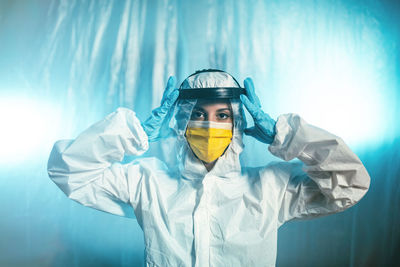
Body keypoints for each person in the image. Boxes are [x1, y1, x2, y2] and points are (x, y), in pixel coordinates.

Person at [47, 69, 370, 266]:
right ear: (182, 122)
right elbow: (69, 171)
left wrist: (286, 137)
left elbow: (351, 184)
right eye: (198, 114)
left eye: (223, 115)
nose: (209, 124)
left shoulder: (271, 187)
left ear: (238, 124)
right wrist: (134, 136)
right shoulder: (148, 181)